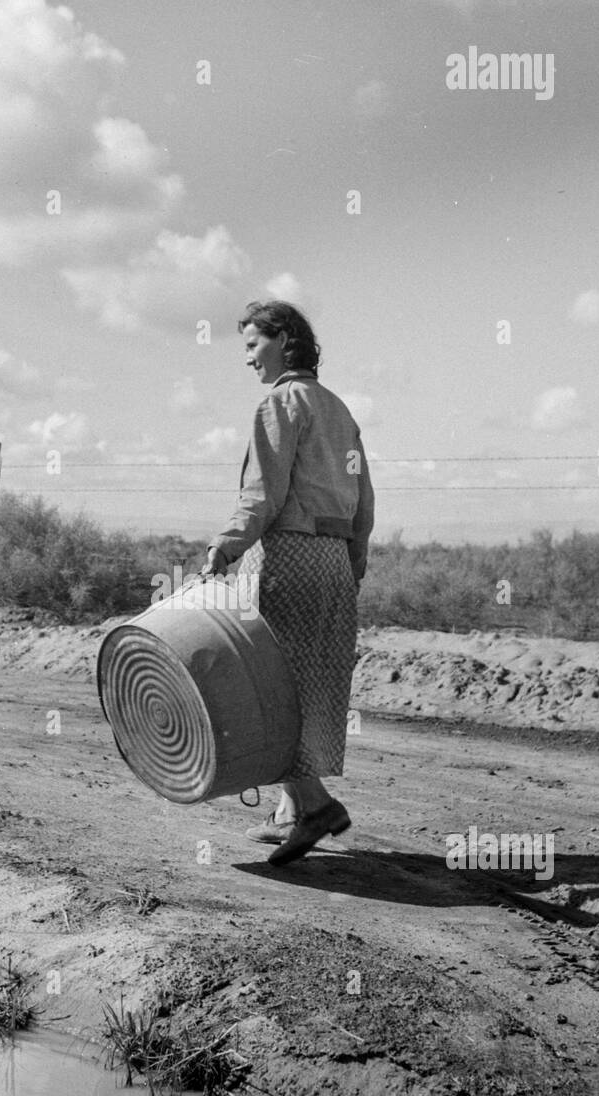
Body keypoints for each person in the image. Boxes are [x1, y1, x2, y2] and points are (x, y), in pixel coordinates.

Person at [201, 300, 374, 866]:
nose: (248, 359)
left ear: (283, 341)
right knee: (310, 687)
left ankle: (317, 806)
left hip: (286, 558)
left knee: (269, 691)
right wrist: (353, 562)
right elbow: (363, 500)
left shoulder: (279, 405)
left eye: (253, 345)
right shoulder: (338, 409)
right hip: (333, 561)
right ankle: (288, 812)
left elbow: (263, 496)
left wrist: (226, 546)